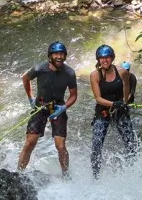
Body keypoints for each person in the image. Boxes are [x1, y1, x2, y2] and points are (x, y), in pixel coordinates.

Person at [18, 41, 78, 176]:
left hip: (57, 107)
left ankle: (66, 175)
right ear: (50, 56)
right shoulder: (40, 68)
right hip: (41, 106)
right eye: (56, 54)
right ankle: (19, 173)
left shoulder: (69, 73)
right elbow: (25, 78)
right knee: (30, 143)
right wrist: (30, 98)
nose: (59, 57)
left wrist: (63, 108)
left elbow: (73, 96)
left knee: (60, 146)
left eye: (62, 54)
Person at [90, 45, 136, 178]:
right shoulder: (95, 75)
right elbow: (98, 98)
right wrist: (114, 104)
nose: (105, 60)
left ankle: (132, 169)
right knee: (97, 144)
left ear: (112, 58)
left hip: (120, 110)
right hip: (103, 110)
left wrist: (126, 103)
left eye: (107, 57)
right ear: (98, 60)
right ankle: (96, 176)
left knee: (130, 142)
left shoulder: (122, 72)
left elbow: (127, 87)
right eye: (102, 58)